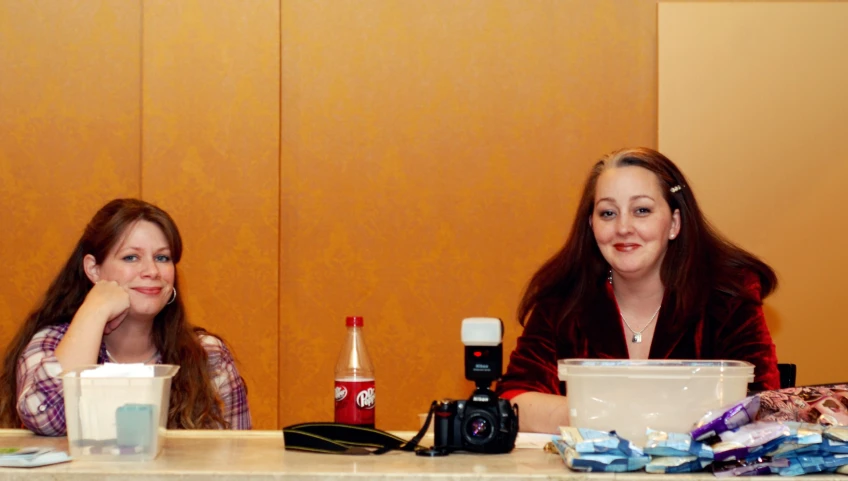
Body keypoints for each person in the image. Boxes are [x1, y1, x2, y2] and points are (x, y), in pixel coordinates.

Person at [496, 147, 780, 433]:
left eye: (641, 210)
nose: (623, 227)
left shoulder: (728, 294)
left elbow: (763, 406)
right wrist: (619, 418)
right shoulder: (564, 299)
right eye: (608, 213)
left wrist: (606, 414)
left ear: (674, 223)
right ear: (592, 225)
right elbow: (513, 401)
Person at [0, 198, 251, 435]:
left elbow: (241, 465)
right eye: (131, 257)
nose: (152, 271)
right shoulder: (51, 345)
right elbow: (47, 418)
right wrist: (94, 310)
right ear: (93, 269)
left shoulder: (209, 356)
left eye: (162, 258)